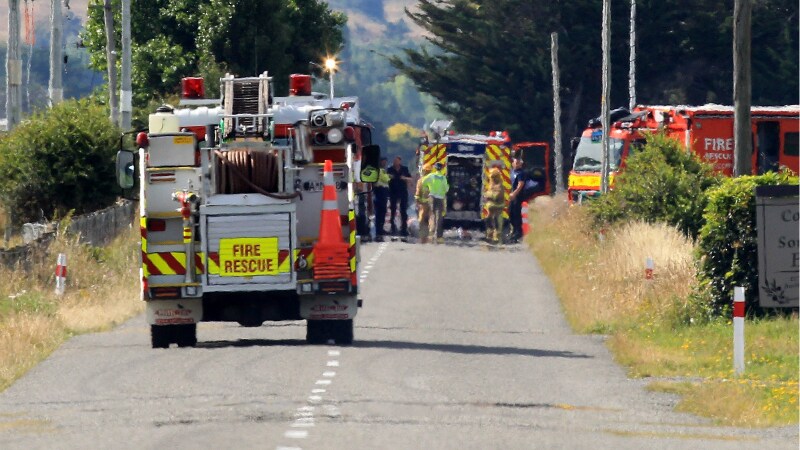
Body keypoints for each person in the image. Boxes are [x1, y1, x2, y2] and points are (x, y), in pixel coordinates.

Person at [508, 158, 537, 243]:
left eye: (518, 163)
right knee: (511, 213)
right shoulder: (513, 172)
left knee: (517, 214)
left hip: (518, 196)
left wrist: (514, 193)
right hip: (512, 196)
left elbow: (521, 184)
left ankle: (518, 233)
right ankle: (513, 231)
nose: (516, 164)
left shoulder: (521, 173)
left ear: (520, 164)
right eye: (515, 162)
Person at [423, 162, 449, 243]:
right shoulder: (443, 178)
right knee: (439, 217)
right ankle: (438, 235)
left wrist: (427, 188)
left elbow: (423, 182)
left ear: (435, 168)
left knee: (432, 215)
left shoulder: (431, 176)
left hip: (432, 197)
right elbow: (447, 188)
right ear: (441, 169)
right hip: (440, 198)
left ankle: (431, 232)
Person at [387, 156, 413, 236]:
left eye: (397, 161)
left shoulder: (405, 169)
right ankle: (393, 227)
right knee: (393, 210)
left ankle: (404, 228)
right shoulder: (390, 169)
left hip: (402, 191)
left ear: (400, 162)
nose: (396, 162)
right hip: (393, 192)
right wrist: (390, 177)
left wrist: (404, 178)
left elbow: (410, 179)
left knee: (403, 210)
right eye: (394, 161)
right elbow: (386, 178)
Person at [483, 167, 506, 244]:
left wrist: (487, 195)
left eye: (492, 176)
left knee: (497, 221)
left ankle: (497, 236)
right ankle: (489, 234)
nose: (491, 178)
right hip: (491, 206)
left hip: (498, 206)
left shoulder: (499, 185)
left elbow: (496, 196)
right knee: (488, 219)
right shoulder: (491, 184)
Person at [415, 164, 434, 243]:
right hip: (432, 202)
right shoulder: (434, 180)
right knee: (431, 218)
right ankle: (431, 234)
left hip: (423, 203)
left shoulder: (421, 180)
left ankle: (422, 235)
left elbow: (418, 192)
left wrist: (417, 200)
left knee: (421, 219)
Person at [373, 158, 390, 242]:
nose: (385, 163)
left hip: (382, 193)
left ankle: (380, 229)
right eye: (383, 162)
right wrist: (389, 176)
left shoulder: (382, 170)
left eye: (385, 162)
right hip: (380, 192)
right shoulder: (380, 171)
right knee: (380, 213)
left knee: (382, 212)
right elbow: (386, 179)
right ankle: (378, 230)